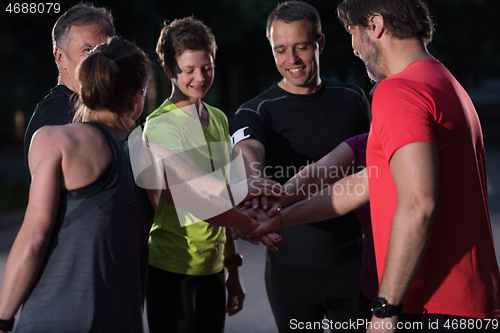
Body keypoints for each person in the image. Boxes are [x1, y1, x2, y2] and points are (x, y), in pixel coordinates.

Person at [249, 0, 500, 331]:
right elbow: (368, 182)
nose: (354, 49)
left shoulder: (398, 90)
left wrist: (385, 308)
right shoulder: (443, 82)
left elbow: (418, 203)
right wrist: (279, 217)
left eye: (353, 33)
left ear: (376, 25)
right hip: (466, 303)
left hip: (431, 305)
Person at [0, 36, 279, 333]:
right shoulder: (149, 153)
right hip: (120, 321)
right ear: (137, 99)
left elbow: (34, 239)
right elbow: (204, 199)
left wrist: (3, 318)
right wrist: (252, 221)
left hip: (50, 318)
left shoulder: (55, 140)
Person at [231, 1, 370, 331]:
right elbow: (247, 148)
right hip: (289, 272)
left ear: (319, 44)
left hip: (352, 264)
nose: (291, 60)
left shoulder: (353, 99)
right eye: (280, 50)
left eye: (301, 47)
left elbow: (372, 167)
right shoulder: (256, 109)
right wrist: (253, 176)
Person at [143, 17, 278, 333]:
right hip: (171, 269)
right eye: (189, 70)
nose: (200, 77)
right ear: (169, 71)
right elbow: (193, 199)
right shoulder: (159, 125)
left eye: (207, 67)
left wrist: (233, 270)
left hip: (213, 270)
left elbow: (224, 191)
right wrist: (250, 218)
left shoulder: (217, 118)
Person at [23, 3, 115, 176]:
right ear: (60, 57)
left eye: (107, 50)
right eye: (88, 51)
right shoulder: (61, 117)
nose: (101, 61)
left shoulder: (93, 109)